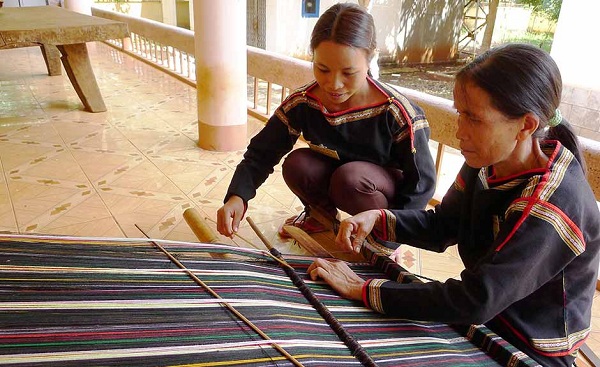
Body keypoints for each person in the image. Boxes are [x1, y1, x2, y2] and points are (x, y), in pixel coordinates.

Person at [307, 43, 600, 367]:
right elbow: (444, 226)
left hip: (527, 347)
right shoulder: (487, 161)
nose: (460, 131)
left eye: (473, 118)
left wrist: (364, 289)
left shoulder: (552, 204)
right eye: (461, 113)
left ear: (526, 125)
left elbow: (478, 298)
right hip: (487, 318)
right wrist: (379, 217)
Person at [217, 3, 436, 238]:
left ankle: (376, 234)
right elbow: (262, 152)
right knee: (297, 164)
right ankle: (321, 218)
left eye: (348, 73)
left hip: (376, 191)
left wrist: (395, 234)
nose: (334, 85)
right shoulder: (303, 103)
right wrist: (237, 197)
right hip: (344, 178)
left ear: (370, 58)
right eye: (323, 69)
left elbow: (420, 183)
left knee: (351, 178)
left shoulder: (397, 113)